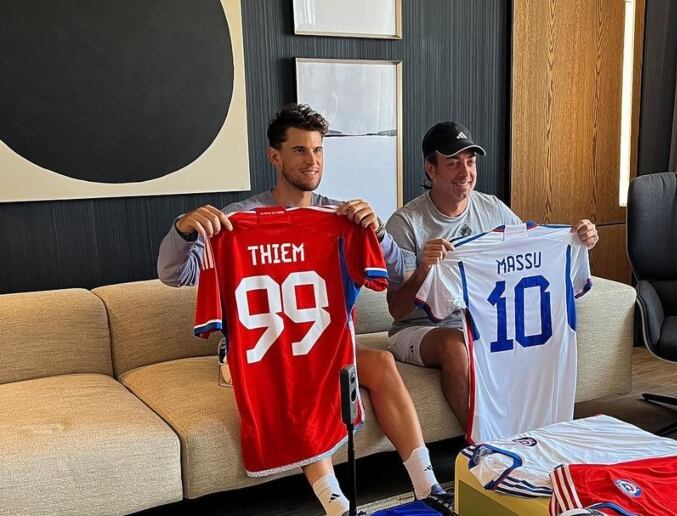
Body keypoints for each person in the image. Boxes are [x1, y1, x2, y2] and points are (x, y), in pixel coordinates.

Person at [157, 104, 449, 516]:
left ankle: (427, 485)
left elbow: (399, 271)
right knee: (301, 375)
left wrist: (378, 231)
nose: (312, 160)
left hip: (325, 345)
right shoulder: (236, 222)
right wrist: (184, 229)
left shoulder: (340, 217)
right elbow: (174, 274)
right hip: (260, 353)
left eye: (318, 150)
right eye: (299, 150)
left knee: (381, 363)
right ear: (274, 157)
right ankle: (335, 504)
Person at [385, 121, 599, 426]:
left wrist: (577, 238)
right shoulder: (406, 223)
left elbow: (531, 252)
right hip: (418, 329)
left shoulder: (493, 209)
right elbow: (396, 309)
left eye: (470, 162)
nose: (465, 172)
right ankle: (485, 441)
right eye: (453, 163)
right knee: (455, 346)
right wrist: (424, 270)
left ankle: (539, 430)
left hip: (481, 323)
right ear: (430, 169)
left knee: (539, 333)